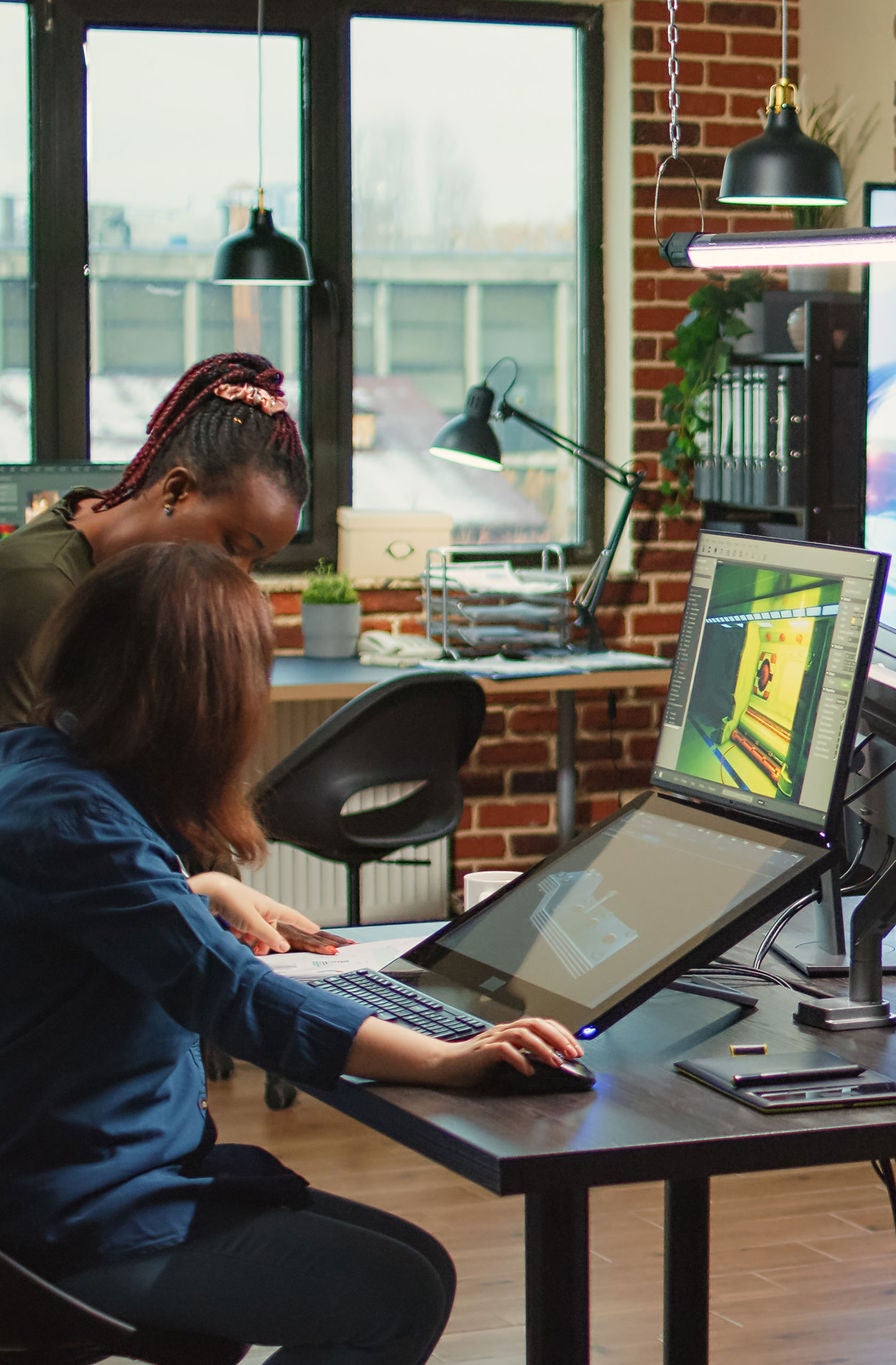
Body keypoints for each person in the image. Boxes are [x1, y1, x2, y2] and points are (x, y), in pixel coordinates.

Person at [0, 542, 581, 1364]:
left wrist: (198, 890)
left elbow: (82, 915)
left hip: (72, 1178)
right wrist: (443, 1058)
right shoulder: (82, 826)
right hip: (71, 1220)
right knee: (400, 1293)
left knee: (420, 1269)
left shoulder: (32, 764)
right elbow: (236, 998)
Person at [0, 353, 318, 955]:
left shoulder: (126, 576)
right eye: (233, 546)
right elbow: (37, 822)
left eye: (258, 563)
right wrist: (195, 897)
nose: (239, 577)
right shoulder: (38, 591)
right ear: (175, 489)